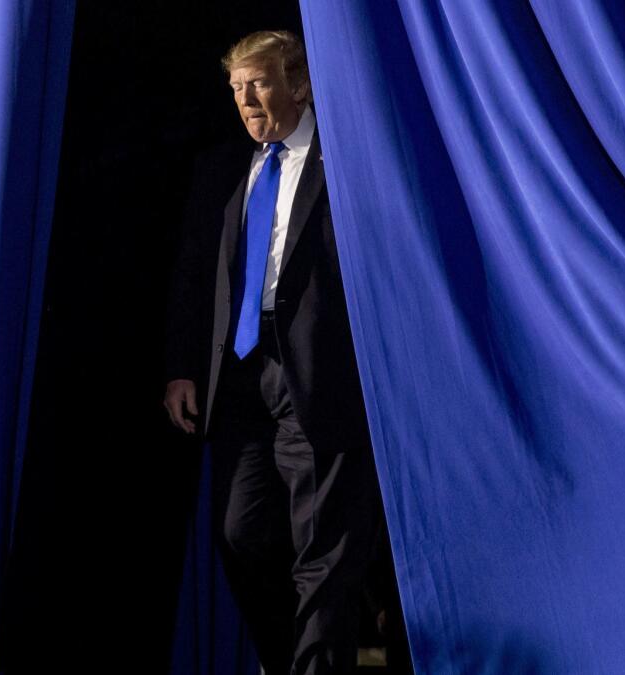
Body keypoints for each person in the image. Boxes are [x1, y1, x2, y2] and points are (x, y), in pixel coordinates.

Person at [164, 30, 387, 675]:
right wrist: (182, 366)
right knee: (241, 534)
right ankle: (290, 661)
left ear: (300, 83)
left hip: (317, 374)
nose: (245, 99)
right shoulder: (221, 169)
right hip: (238, 375)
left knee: (322, 547)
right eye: (236, 88)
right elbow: (193, 273)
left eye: (258, 82)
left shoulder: (345, 158)